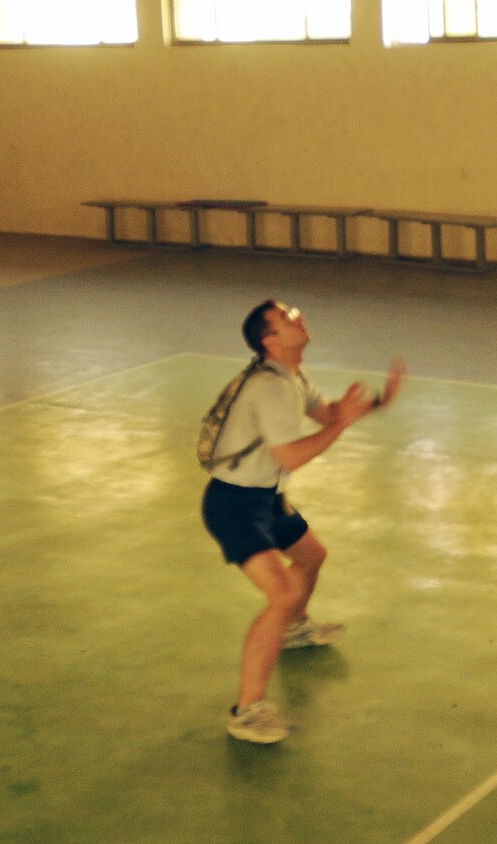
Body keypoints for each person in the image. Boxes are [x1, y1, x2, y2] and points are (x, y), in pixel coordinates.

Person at [201, 299, 405, 744]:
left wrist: (377, 402)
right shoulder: (268, 388)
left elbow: (329, 413)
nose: (298, 317)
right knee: (281, 594)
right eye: (287, 317)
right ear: (269, 340)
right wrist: (342, 427)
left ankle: (294, 628)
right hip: (234, 503)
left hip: (267, 497)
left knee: (312, 556)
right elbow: (292, 455)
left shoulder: (288, 375)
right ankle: (247, 711)